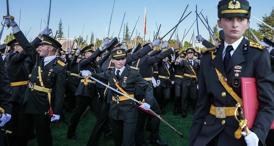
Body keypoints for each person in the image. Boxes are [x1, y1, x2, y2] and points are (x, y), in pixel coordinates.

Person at [189, 0, 274, 146]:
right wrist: (195, 138)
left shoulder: (258, 55)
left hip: (242, 132)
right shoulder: (208, 58)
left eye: (240, 19)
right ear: (220, 23)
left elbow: (268, 103)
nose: (235, 24)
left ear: (247, 23)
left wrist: (257, 133)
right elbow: (202, 104)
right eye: (229, 19)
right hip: (209, 132)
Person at [92, 47, 151, 146]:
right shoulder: (110, 72)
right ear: (112, 60)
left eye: (122, 59)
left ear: (126, 59)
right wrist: (90, 74)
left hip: (129, 111)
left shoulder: (133, 73)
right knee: (117, 139)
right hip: (114, 111)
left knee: (127, 142)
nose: (120, 62)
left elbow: (147, 86)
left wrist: (147, 101)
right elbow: (100, 76)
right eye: (117, 59)